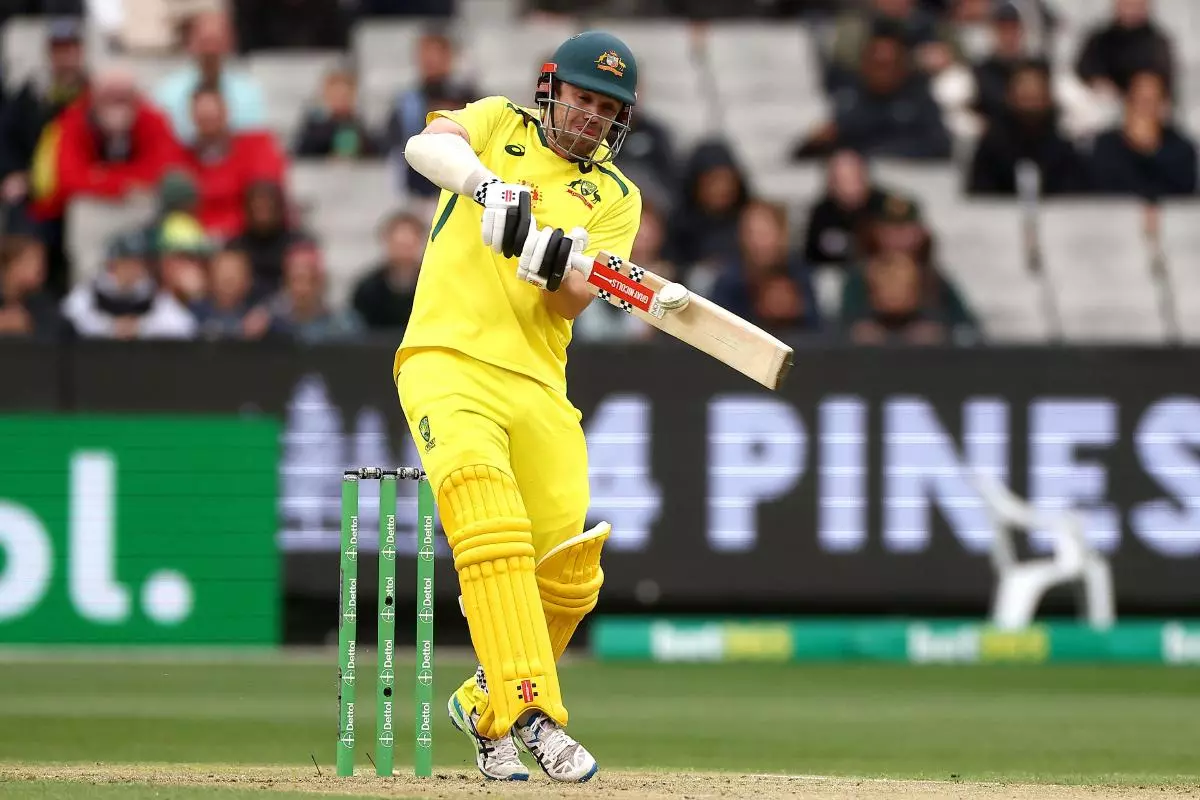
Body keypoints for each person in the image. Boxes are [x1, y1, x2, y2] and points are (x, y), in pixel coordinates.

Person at [397, 30, 642, 784]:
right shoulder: (499, 122)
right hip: (445, 360)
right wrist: (487, 189)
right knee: (487, 525)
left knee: (568, 574)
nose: (590, 117)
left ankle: (481, 702)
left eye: (606, 108)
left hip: (537, 384)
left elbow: (574, 300)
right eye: (581, 97)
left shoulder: (618, 198)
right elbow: (425, 146)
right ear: (550, 89)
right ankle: (534, 712)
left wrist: (554, 261)